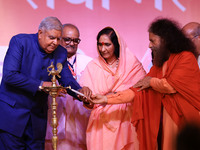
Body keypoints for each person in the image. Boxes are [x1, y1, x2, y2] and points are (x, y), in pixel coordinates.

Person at [90, 18, 200, 150]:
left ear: (165, 40)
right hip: (165, 120)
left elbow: (170, 86)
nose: (149, 45)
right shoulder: (159, 64)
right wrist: (106, 99)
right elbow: (137, 90)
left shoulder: (186, 57)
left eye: (152, 40)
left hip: (185, 120)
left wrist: (151, 82)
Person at [0, 16, 91, 150]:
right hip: (12, 115)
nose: (55, 43)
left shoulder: (60, 53)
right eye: (51, 38)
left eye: (58, 39)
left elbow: (67, 79)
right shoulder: (20, 42)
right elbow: (10, 75)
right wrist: (42, 84)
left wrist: (80, 92)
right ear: (40, 33)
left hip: (37, 118)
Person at [79, 27, 146, 150]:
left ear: (116, 44)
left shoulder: (131, 64)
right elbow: (89, 101)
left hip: (126, 120)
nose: (102, 49)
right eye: (99, 45)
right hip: (100, 124)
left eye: (107, 45)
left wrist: (111, 97)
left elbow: (141, 91)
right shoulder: (93, 66)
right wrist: (87, 99)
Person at [45, 24, 92, 150]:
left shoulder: (90, 63)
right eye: (67, 39)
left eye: (76, 40)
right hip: (54, 120)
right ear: (59, 39)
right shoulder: (48, 61)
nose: (72, 43)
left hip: (81, 123)